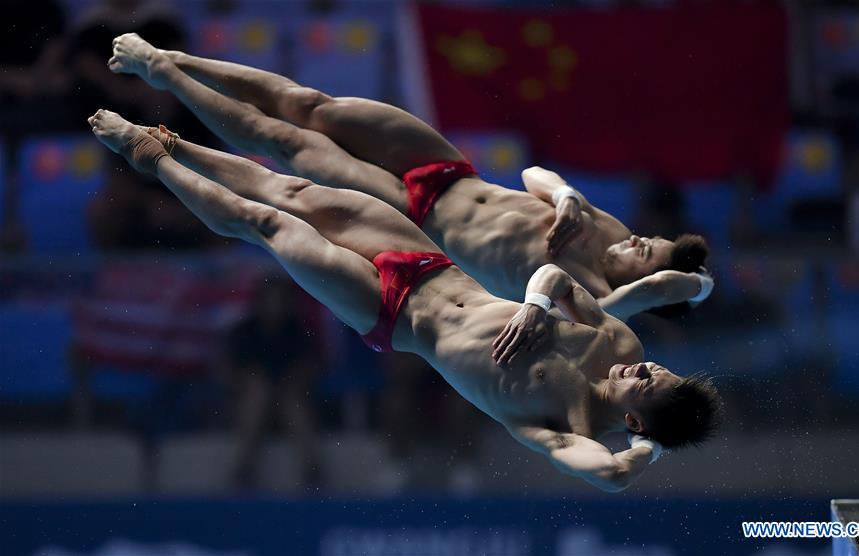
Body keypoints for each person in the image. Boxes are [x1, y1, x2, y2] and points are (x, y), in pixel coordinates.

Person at [87, 108, 723, 492]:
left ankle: (152, 161)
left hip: (389, 314)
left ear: (636, 423)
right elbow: (560, 282)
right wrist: (533, 302)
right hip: (429, 262)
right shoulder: (620, 341)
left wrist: (650, 450)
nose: (644, 366)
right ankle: (171, 141)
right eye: (657, 368)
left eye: (649, 384)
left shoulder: (568, 428)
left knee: (270, 226)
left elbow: (610, 474)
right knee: (293, 193)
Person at [106, 33, 714, 320]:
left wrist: (691, 284)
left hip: (411, 211)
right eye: (647, 236)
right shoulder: (603, 228)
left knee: (284, 142)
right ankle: (176, 56)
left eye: (645, 253)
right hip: (445, 167)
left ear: (652, 284)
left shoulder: (594, 301)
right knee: (310, 104)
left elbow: (640, 300)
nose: (635, 240)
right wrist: (566, 195)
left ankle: (166, 78)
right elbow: (532, 171)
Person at [224, 276, 323, 490]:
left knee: (290, 401)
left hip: (287, 404)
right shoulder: (244, 331)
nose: (276, 305)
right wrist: (249, 380)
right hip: (249, 406)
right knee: (258, 393)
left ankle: (312, 470)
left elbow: (308, 369)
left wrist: (289, 383)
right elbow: (226, 371)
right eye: (271, 299)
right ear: (259, 301)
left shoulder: (297, 332)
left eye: (281, 299)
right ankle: (243, 468)